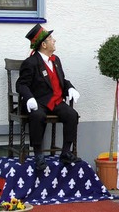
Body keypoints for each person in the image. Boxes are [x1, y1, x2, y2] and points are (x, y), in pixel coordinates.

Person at [16, 24, 81, 168]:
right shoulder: (31, 62)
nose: (54, 40)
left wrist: (70, 88)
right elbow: (21, 84)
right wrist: (29, 98)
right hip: (39, 102)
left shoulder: (56, 60)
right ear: (44, 44)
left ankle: (65, 152)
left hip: (56, 102)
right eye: (51, 38)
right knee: (38, 116)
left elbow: (61, 80)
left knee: (72, 115)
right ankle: (38, 154)